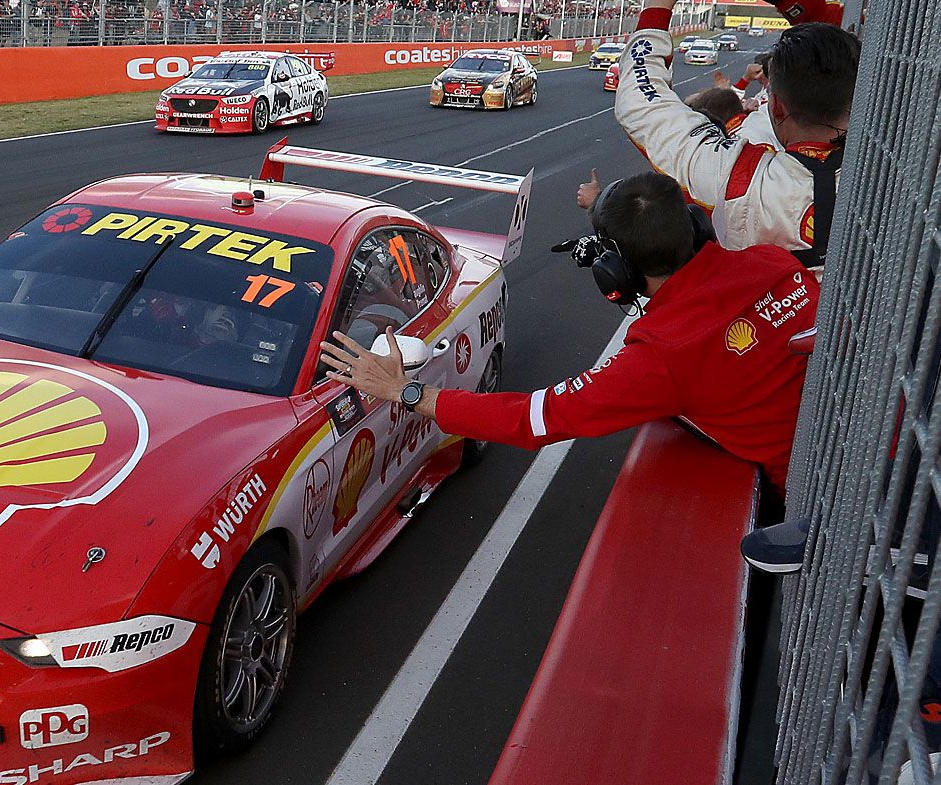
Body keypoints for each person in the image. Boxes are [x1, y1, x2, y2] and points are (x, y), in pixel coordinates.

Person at [320, 171, 818, 500]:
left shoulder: (662, 358)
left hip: (804, 497)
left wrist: (405, 391)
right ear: (693, 224)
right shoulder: (774, 261)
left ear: (616, 272)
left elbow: (536, 419)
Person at [615, 0, 859, 266]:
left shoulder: (738, 176)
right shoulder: (894, 168)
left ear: (775, 106)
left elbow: (640, 104)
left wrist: (658, 6)